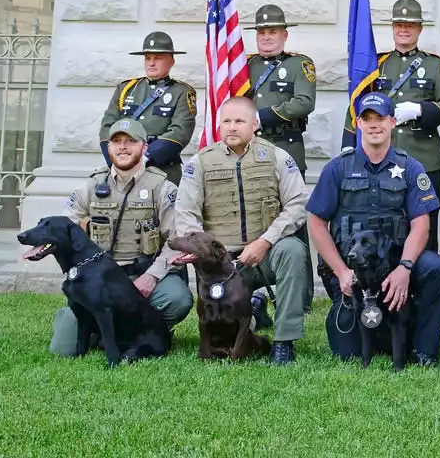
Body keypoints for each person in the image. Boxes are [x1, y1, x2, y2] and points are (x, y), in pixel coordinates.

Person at [307, 92, 440, 366]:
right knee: (347, 353)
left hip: (394, 261)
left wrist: (405, 267)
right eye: (367, 118)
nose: (374, 124)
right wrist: (340, 271)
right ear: (358, 123)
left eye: (380, 118)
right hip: (351, 266)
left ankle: (424, 350)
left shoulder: (410, 167)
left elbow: (422, 224)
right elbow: (316, 223)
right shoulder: (337, 168)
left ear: (392, 122)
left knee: (439, 268)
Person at [172, 96, 310, 364]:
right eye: (226, 121)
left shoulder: (276, 157)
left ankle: (284, 341)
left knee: (294, 249)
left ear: (255, 124)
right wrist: (205, 255)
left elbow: (297, 204)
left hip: (263, 256)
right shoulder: (201, 162)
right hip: (222, 264)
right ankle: (250, 311)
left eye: (239, 121)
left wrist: (266, 242)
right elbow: (186, 212)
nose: (232, 127)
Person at [51, 118, 192, 355]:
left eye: (130, 141)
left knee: (178, 298)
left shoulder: (163, 188)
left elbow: (176, 241)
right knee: (62, 349)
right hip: (100, 279)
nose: (123, 147)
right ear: (109, 148)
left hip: (141, 273)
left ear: (144, 147)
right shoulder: (91, 185)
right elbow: (63, 228)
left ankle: (149, 331)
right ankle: (94, 324)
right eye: (116, 142)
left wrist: (153, 277)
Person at [343, 0, 440, 253]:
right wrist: (347, 146)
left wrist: (420, 110)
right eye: (399, 24)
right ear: (393, 28)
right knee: (384, 222)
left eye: (410, 24)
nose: (403, 29)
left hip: (423, 158)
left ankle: (427, 282)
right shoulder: (377, 63)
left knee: (425, 223)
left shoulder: (435, 65)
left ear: (419, 28)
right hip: (382, 156)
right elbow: (356, 105)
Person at [244, 4, 318, 310]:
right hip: (251, 149)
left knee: (294, 216)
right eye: (261, 32)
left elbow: (303, 103)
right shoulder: (244, 65)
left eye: (272, 31)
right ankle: (250, 283)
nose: (266, 37)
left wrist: (261, 116)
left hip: (286, 147)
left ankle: (302, 294)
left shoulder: (300, 65)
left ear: (284, 35)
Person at [98, 31, 196, 186]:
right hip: (122, 171)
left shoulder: (181, 92)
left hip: (163, 172)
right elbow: (107, 127)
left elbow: (180, 132)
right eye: (148, 58)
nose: (151, 63)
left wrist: (142, 158)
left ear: (171, 61)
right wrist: (115, 160)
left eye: (158, 58)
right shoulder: (126, 89)